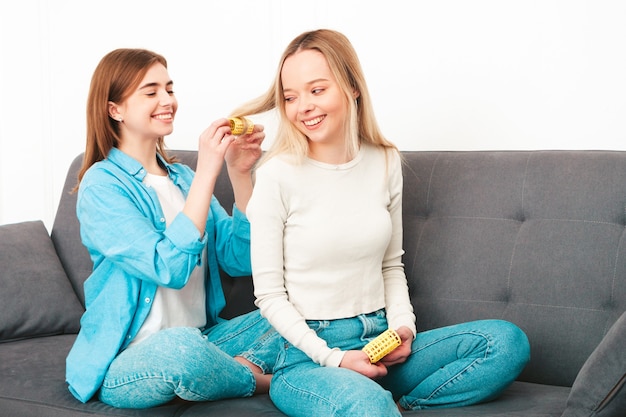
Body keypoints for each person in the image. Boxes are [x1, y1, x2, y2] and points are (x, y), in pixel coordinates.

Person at [232, 29, 531, 416]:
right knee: (367, 405)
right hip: (308, 356)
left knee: (506, 343)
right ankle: (376, 405)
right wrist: (335, 359)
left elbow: (391, 264)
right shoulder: (277, 174)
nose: (302, 106)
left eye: (317, 90)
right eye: (290, 97)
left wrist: (404, 328)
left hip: (380, 341)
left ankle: (402, 406)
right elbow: (270, 297)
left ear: (352, 87)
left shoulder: (385, 160)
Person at [65, 48, 278, 408]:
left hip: (206, 339)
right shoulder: (101, 186)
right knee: (178, 350)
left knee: (303, 310)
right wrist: (210, 170)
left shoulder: (183, 178)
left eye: (169, 88)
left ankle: (221, 372)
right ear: (114, 109)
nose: (167, 100)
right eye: (150, 92)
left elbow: (240, 258)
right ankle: (262, 380)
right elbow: (170, 267)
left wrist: (240, 174)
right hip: (134, 358)